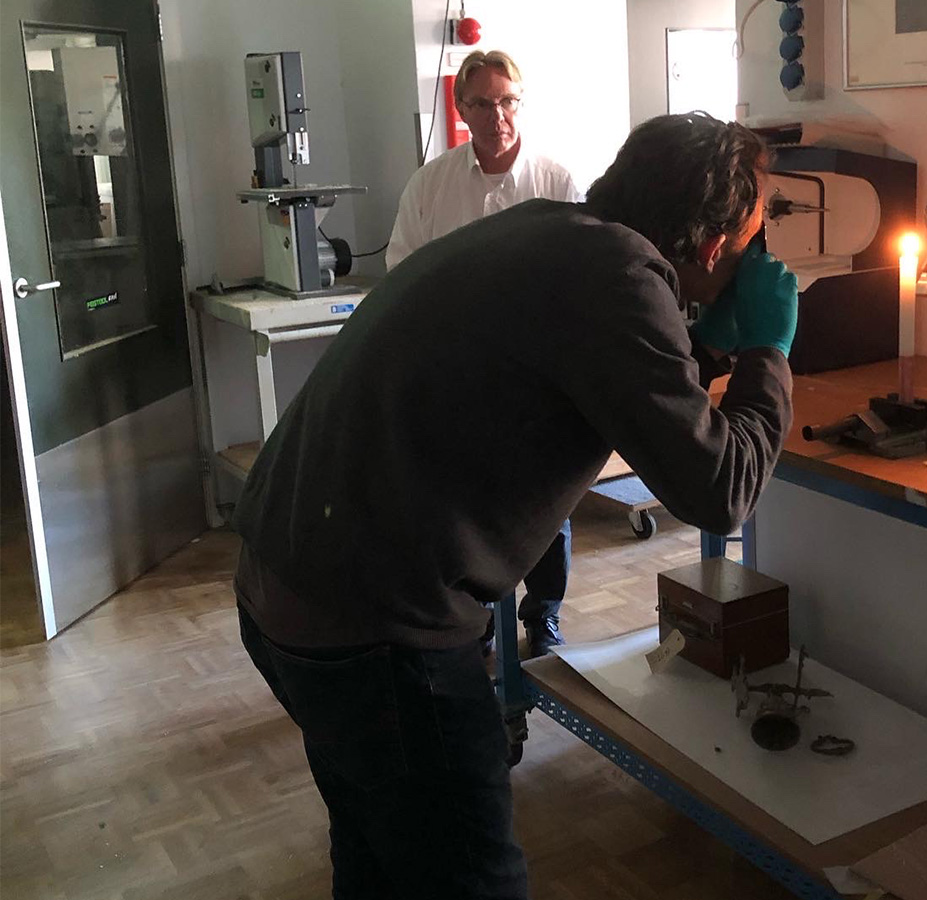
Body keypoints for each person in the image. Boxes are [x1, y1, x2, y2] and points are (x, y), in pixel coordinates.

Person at [232, 112, 798, 900]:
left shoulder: (553, 233)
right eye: (748, 247)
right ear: (710, 247)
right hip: (375, 629)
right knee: (470, 878)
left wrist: (702, 343)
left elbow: (600, 370)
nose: (747, 265)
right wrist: (769, 352)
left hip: (285, 578)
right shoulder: (616, 278)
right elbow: (722, 492)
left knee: (379, 852)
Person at [386, 49, 579, 657]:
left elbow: (582, 278)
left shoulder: (555, 182)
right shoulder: (431, 185)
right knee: (465, 511)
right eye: (483, 103)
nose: (498, 115)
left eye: (507, 101)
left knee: (547, 505)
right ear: (461, 108)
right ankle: (473, 623)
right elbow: (401, 273)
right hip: (459, 378)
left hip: (538, 379)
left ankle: (542, 615)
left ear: (519, 104)